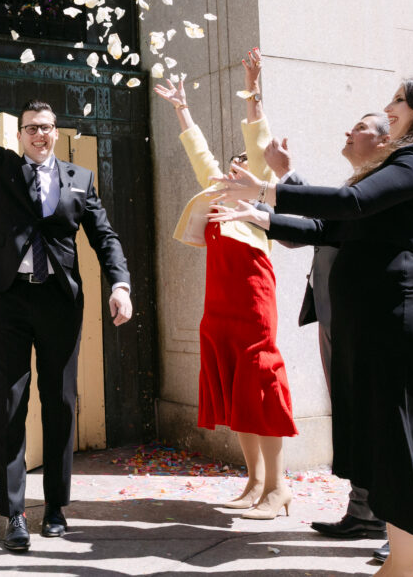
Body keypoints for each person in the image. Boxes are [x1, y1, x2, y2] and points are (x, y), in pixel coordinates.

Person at [210, 76, 413, 577]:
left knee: (400, 443)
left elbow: (350, 206)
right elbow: (335, 229)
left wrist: (268, 188)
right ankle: (404, 558)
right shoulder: (402, 163)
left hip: (398, 316)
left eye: (398, 100)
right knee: (384, 443)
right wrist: (264, 214)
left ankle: (411, 565)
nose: (389, 107)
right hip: (377, 320)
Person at [0, 55, 133, 551]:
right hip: (6, 301)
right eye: (30, 129)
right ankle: (15, 513)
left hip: (59, 303)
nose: (39, 135)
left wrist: (120, 284)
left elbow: (104, 237)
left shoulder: (80, 179)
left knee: (61, 403)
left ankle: (58, 507)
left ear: (56, 131)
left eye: (46, 128)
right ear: (19, 134)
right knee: (10, 403)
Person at [153, 48, 297, 521]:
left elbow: (258, 138)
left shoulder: (256, 206)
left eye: (245, 164)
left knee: (258, 387)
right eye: (232, 163)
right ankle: (254, 482)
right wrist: (181, 108)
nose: (235, 166)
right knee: (236, 392)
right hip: (218, 308)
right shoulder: (217, 194)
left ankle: (279, 489)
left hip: (254, 303)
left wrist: (253, 87)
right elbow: (198, 151)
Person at [263, 115, 394, 548]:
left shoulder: (386, 188)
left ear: (384, 140)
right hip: (336, 316)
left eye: (359, 127)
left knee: (375, 418)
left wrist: (279, 184)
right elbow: (320, 225)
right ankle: (364, 512)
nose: (346, 132)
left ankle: (392, 525)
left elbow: (332, 214)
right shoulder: (363, 185)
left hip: (367, 320)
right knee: (353, 415)